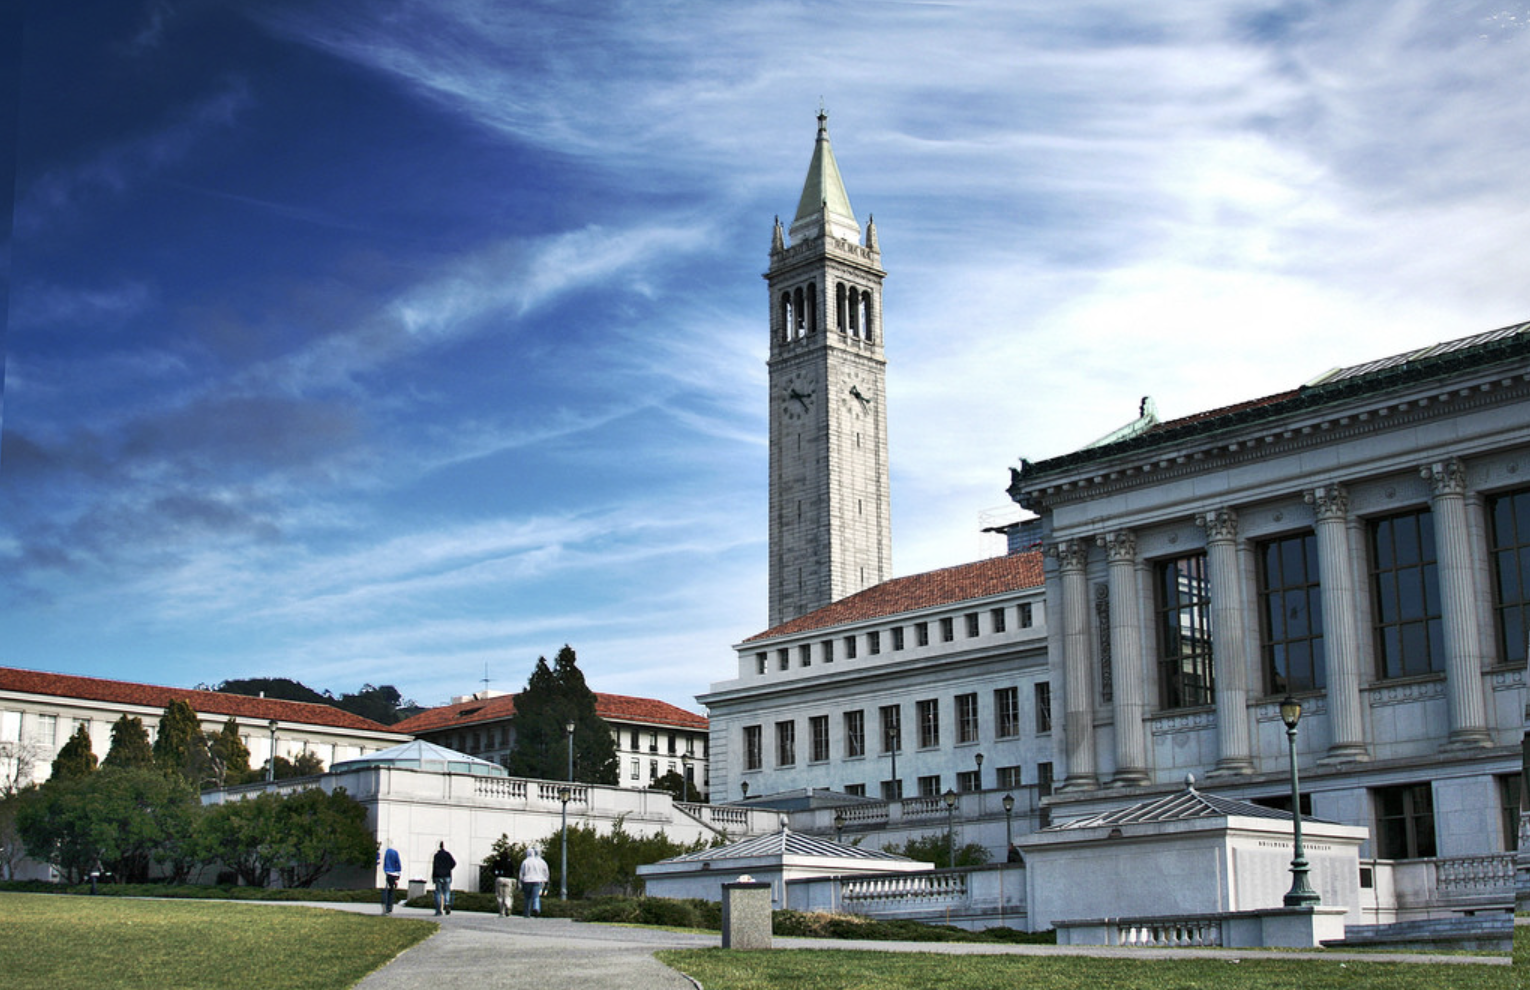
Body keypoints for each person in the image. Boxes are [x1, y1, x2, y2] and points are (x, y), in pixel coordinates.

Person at [519, 846, 550, 918]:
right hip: (537, 880)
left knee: (527, 897)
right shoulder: (539, 862)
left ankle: (527, 913)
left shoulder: (525, 862)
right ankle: (536, 908)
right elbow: (544, 872)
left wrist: (520, 882)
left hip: (527, 881)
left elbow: (521, 873)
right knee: (536, 896)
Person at [432, 841, 456, 916]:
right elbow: (454, 863)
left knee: (438, 892)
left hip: (438, 876)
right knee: (447, 891)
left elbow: (434, 867)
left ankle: (439, 910)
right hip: (447, 875)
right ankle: (446, 903)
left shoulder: (436, 856)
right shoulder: (448, 855)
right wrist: (448, 869)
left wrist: (433, 877)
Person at [381, 841, 402, 914]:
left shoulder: (386, 852)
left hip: (387, 872)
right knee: (391, 891)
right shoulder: (395, 852)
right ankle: (389, 907)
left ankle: (385, 907)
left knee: (386, 891)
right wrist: (398, 873)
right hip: (393, 873)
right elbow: (398, 863)